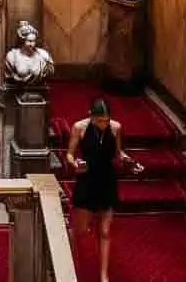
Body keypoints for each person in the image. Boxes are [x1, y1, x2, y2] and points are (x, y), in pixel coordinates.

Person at [66, 97, 140, 282]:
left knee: (105, 231)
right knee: (80, 230)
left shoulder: (116, 128)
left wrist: (129, 161)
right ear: (91, 116)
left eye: (106, 121)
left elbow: (118, 152)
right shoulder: (79, 128)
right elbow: (69, 154)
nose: (103, 124)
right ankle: (68, 264)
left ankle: (103, 276)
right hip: (87, 179)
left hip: (107, 180)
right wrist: (75, 164)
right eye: (99, 121)